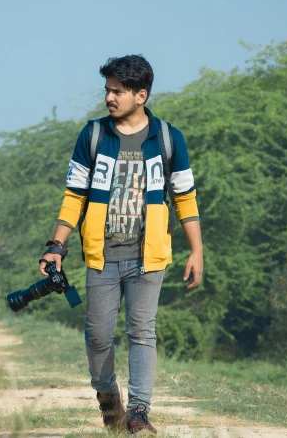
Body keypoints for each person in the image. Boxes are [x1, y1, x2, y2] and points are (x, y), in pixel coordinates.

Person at [39, 55, 204, 434]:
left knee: (142, 331)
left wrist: (196, 250)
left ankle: (140, 412)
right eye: (108, 90)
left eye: (118, 91)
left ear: (140, 95)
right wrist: (56, 245)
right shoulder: (94, 135)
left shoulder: (167, 137)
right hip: (102, 255)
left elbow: (184, 197)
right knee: (97, 335)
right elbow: (74, 195)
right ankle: (106, 395)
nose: (109, 98)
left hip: (150, 256)